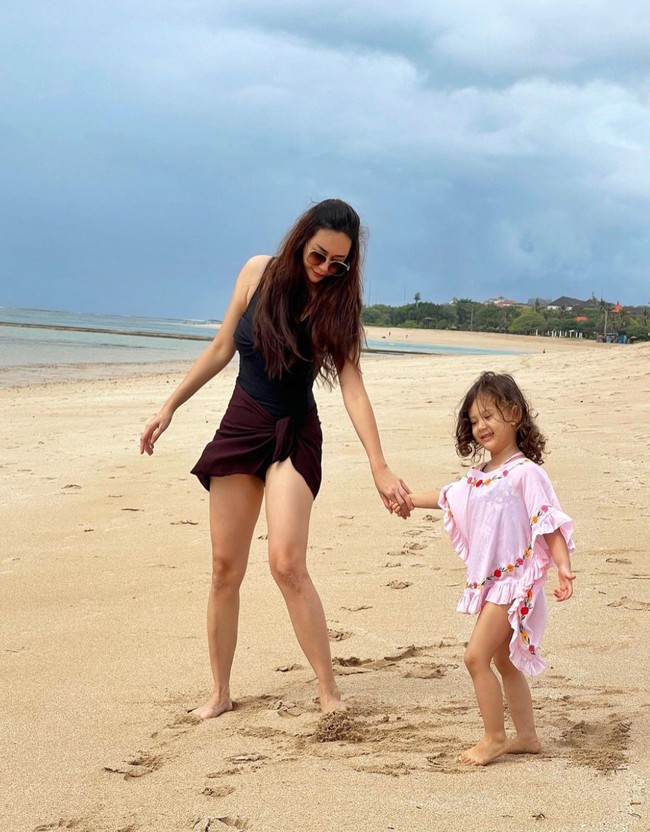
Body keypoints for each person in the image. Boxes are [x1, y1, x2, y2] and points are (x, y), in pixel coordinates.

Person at [140, 199, 412, 719]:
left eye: (339, 264)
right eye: (318, 256)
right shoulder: (256, 273)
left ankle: (329, 692)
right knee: (224, 569)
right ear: (299, 239)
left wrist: (378, 464)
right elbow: (222, 347)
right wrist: (169, 407)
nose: (325, 269)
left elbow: (352, 386)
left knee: (286, 563)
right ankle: (220, 694)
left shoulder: (337, 306)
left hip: (295, 432)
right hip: (243, 426)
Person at [393, 371, 575, 765]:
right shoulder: (479, 479)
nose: (481, 426)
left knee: (475, 657)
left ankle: (494, 736)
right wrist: (406, 500)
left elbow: (549, 522)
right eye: (474, 421)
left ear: (514, 414)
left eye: (489, 416)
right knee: (502, 660)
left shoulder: (526, 473)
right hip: (494, 585)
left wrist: (562, 566)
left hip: (515, 584)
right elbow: (445, 496)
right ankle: (526, 736)